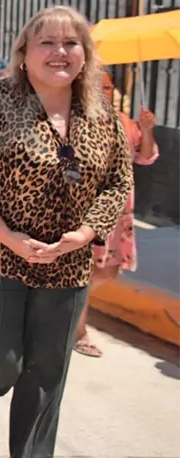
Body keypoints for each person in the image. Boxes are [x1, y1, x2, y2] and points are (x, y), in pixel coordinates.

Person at [0, 5, 133, 458]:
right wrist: (9, 237)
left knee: (47, 370)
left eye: (71, 43)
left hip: (66, 261)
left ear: (86, 55)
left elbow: (118, 182)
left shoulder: (102, 114)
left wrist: (85, 234)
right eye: (47, 42)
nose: (59, 52)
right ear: (24, 53)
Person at [74, 72, 159, 358]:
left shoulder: (124, 120)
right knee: (85, 270)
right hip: (87, 208)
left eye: (107, 87)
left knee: (109, 270)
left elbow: (146, 157)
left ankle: (72, 314)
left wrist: (146, 129)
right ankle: (78, 330)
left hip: (120, 210)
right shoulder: (75, 118)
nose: (102, 91)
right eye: (96, 86)